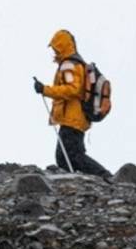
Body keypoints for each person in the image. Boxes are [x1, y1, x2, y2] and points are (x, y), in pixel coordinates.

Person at [32, 30, 110, 178]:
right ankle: (86, 180)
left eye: (56, 47)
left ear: (62, 46)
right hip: (77, 118)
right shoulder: (76, 63)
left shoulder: (68, 65)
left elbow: (72, 89)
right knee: (68, 156)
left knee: (71, 156)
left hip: (72, 119)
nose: (54, 52)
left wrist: (45, 89)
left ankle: (104, 176)